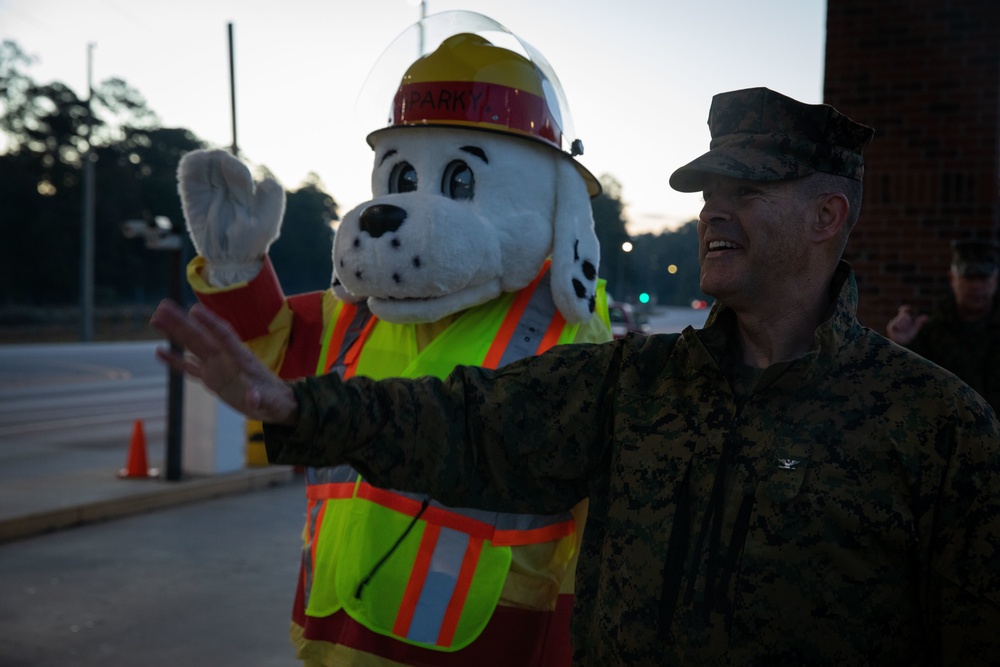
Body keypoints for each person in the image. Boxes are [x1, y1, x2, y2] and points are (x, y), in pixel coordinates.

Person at [153, 87, 1000, 665]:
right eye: (706, 191)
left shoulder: (934, 426)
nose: (713, 211)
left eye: (746, 189)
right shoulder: (634, 384)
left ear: (827, 216)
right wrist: (297, 405)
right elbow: (465, 420)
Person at [886, 239, 1000, 411]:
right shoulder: (930, 330)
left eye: (983, 277)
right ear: (952, 279)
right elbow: (902, 387)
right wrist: (900, 345)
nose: (977, 286)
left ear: (995, 279)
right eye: (968, 277)